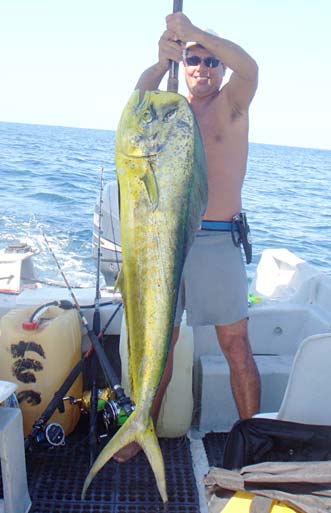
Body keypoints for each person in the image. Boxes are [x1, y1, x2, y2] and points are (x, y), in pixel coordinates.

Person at [114, 12, 260, 463]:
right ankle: (140, 432)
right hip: (164, 242)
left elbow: (251, 67)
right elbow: (138, 99)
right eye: (193, 60)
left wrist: (197, 33)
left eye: (210, 61)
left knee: (235, 343)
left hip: (217, 240)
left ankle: (254, 442)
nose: (201, 68)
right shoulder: (169, 108)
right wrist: (161, 62)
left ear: (220, 68)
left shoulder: (232, 102)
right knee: (162, 342)